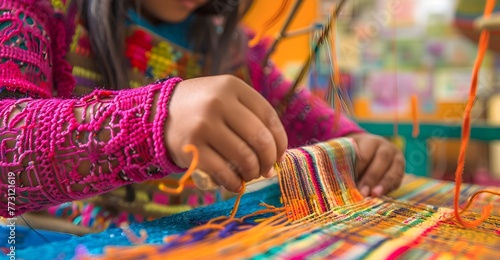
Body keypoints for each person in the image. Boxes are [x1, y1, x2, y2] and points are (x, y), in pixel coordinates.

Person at [0, 0, 404, 232]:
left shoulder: (234, 51)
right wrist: (153, 120)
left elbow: (316, 125)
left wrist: (360, 147)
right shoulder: (37, 10)